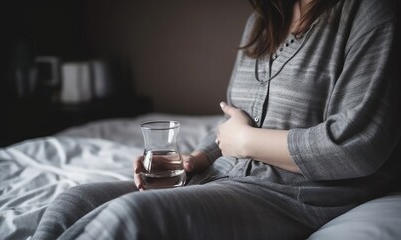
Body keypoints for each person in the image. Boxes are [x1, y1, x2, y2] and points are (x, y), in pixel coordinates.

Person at [32, 0, 401, 239]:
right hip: (224, 176)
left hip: (294, 197)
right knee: (73, 201)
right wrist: (201, 157)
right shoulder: (263, 19)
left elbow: (358, 147)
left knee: (129, 217)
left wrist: (244, 143)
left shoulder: (370, 13)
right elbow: (236, 119)